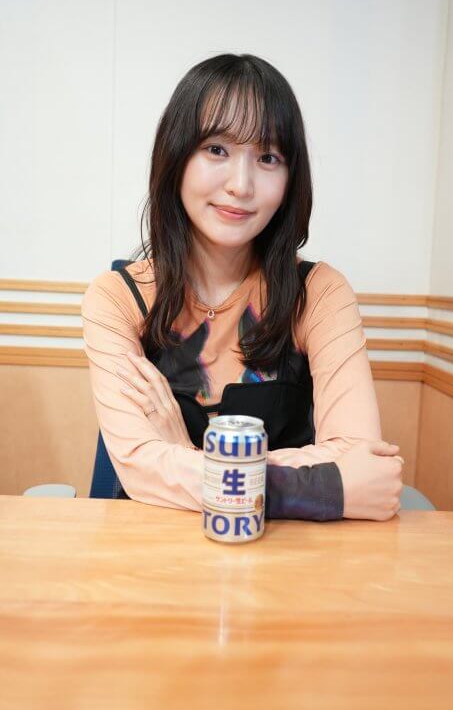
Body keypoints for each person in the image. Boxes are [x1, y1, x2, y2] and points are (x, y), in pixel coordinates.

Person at [81, 53, 403, 522]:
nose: (241, 184)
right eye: (217, 149)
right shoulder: (116, 298)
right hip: (150, 549)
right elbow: (137, 468)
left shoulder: (320, 293)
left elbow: (360, 455)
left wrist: (181, 455)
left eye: (268, 158)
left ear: (291, 179)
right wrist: (324, 486)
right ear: (176, 157)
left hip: (285, 554)